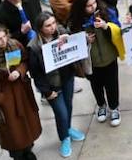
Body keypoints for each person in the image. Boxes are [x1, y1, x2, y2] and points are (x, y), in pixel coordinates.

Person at [0, 23, 43, 160]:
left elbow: (24, 61)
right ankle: (17, 154)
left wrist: (19, 71)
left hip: (21, 93)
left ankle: (28, 149)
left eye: (4, 36)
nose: (3, 41)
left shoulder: (15, 45)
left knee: (27, 123)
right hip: (4, 100)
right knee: (12, 131)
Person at [25, 13, 87, 156]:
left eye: (53, 23)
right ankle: (64, 138)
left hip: (67, 79)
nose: (53, 27)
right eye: (48, 25)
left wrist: (68, 39)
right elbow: (36, 74)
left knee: (69, 106)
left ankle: (68, 129)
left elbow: (76, 44)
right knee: (61, 113)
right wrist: (46, 92)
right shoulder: (34, 47)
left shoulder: (61, 32)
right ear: (40, 28)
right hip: (52, 86)